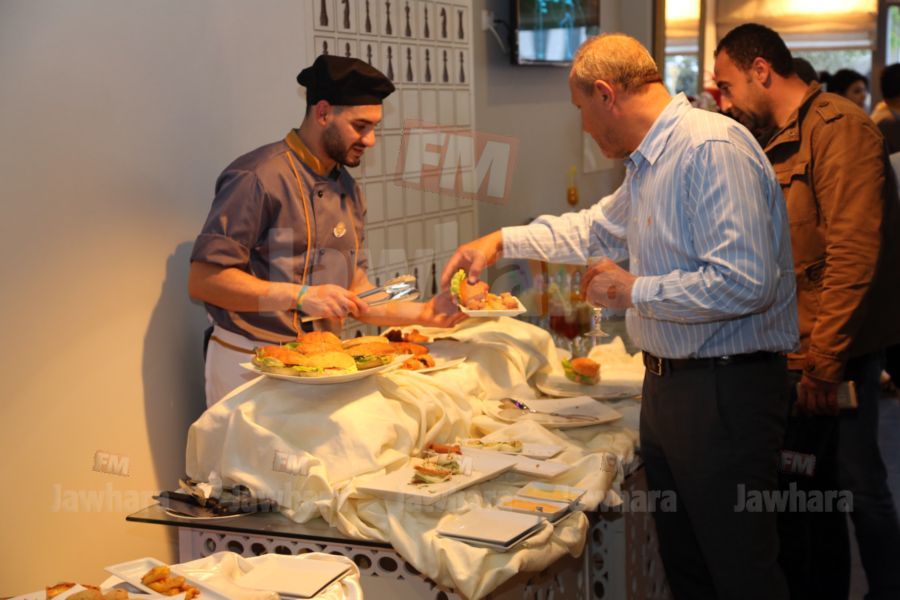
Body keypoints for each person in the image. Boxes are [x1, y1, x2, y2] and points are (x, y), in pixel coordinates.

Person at [441, 33, 799, 599]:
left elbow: (745, 282)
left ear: (606, 94)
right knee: (689, 569)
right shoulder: (651, 160)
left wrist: (634, 291)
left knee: (740, 573)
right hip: (673, 388)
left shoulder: (710, 148)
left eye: (581, 109)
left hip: (725, 390)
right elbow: (596, 230)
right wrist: (499, 240)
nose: (583, 126)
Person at [715, 23, 900, 600]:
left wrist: (823, 363)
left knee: (856, 486)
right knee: (810, 497)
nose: (724, 100)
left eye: (727, 85)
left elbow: (853, 255)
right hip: (794, 351)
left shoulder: (840, 129)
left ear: (761, 70)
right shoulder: (773, 136)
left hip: (835, 353)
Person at [189, 55, 464, 405]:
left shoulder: (349, 190)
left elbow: (356, 292)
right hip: (251, 363)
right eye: (360, 126)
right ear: (322, 113)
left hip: (321, 365)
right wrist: (299, 296)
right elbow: (204, 281)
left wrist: (427, 313)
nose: (370, 140)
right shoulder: (257, 177)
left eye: (374, 127)